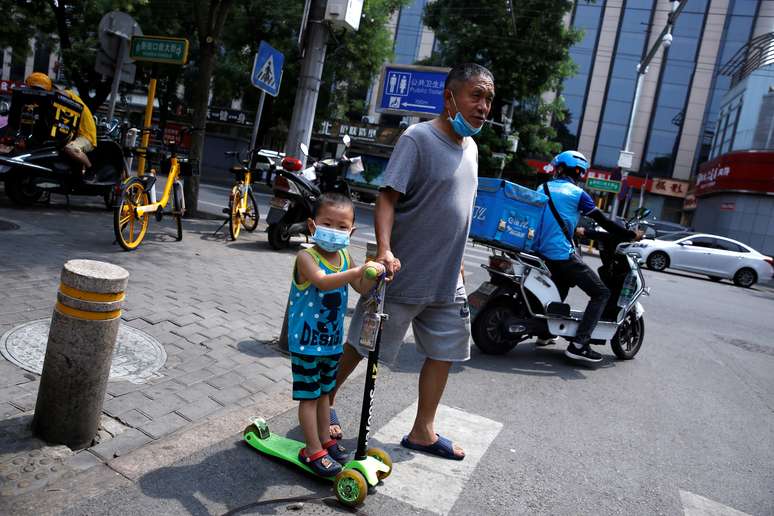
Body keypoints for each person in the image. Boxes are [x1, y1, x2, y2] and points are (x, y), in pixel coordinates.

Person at [328, 63, 495, 461]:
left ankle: (423, 431)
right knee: (361, 345)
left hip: (446, 281)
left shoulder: (471, 148)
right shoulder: (418, 138)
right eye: (476, 95)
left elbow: (456, 212)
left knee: (445, 352)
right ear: (450, 97)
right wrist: (384, 248)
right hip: (402, 274)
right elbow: (387, 196)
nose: (484, 106)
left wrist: (457, 264)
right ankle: (323, 401)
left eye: (489, 98)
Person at [288, 192, 384, 477]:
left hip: (330, 343)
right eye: (327, 224)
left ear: (351, 231)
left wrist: (372, 275)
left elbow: (360, 289)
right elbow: (323, 282)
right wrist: (357, 270)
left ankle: (325, 440)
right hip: (306, 343)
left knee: (325, 394)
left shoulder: (344, 255)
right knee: (309, 397)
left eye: (342, 227)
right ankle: (312, 448)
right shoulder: (306, 256)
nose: (335, 230)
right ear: (313, 225)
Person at [533, 151, 642, 363]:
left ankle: (545, 334)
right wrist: (630, 234)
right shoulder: (577, 194)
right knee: (602, 293)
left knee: (561, 286)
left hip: (541, 253)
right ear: (580, 172)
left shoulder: (542, 187)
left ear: (562, 168)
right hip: (561, 254)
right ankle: (579, 344)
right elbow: (605, 222)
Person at [24, 72, 96, 170]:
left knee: (70, 149)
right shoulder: (52, 105)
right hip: (72, 134)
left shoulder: (67, 94)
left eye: (34, 90)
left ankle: (91, 170)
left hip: (86, 136)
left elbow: (62, 94)